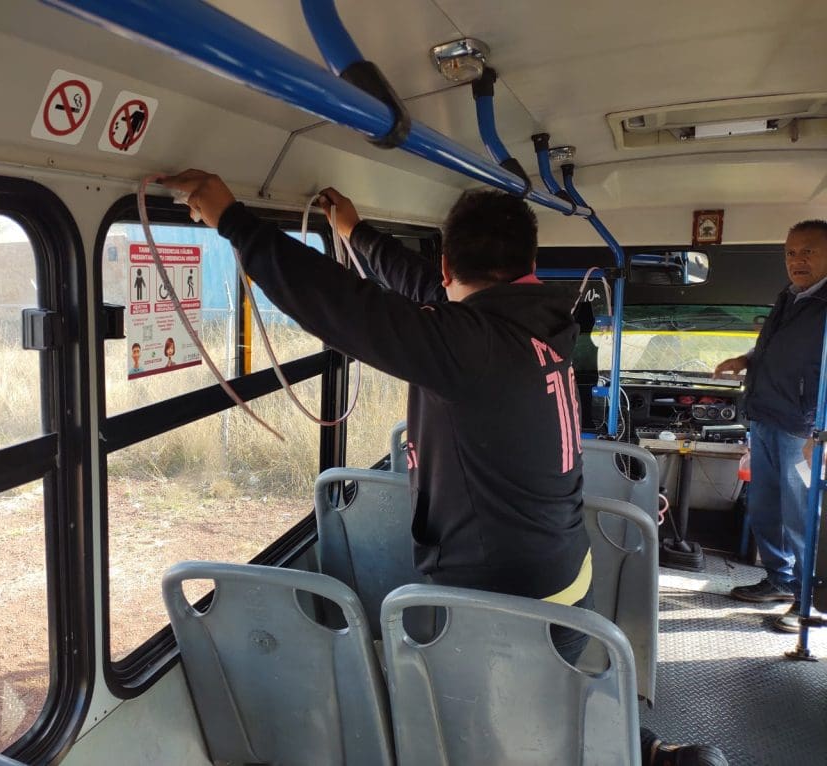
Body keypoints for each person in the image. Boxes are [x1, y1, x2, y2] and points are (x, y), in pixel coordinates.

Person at [160, 169, 727, 765]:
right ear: (528, 261)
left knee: (495, 726)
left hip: (503, 591)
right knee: (554, 694)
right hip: (562, 566)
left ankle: (633, 755)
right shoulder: (542, 318)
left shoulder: (471, 346)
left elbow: (347, 308)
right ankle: (649, 752)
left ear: (450, 267)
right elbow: (422, 293)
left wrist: (236, 223)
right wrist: (357, 235)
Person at [715, 219, 827, 633]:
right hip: (765, 416)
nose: (797, 260)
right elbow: (776, 348)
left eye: (809, 251)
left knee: (802, 516)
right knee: (764, 508)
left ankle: (809, 601)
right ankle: (781, 580)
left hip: (805, 427)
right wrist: (746, 360)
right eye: (791, 252)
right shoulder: (791, 296)